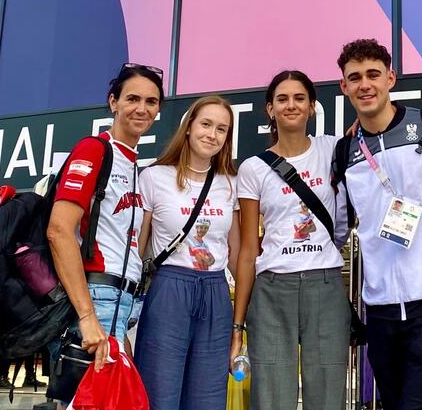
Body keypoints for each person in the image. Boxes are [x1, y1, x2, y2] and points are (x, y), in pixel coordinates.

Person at [331, 39, 422, 410]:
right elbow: (339, 228)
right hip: (381, 305)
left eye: (373, 74)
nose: (364, 85)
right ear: (344, 87)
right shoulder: (345, 152)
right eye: (354, 78)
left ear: (391, 78)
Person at [232, 70, 349, 410]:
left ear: (312, 106)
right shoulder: (253, 168)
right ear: (270, 109)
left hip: (325, 284)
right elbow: (248, 250)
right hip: (271, 289)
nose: (291, 105)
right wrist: (238, 324)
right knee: (270, 398)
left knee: (327, 397)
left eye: (299, 98)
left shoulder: (333, 148)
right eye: (282, 99)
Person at [47, 64, 165, 375]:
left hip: (123, 302)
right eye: (132, 99)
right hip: (97, 295)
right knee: (84, 399)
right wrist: (87, 316)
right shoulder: (94, 150)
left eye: (151, 102)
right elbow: (59, 230)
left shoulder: (134, 165)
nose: (141, 109)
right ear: (113, 102)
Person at [134, 96, 241, 410]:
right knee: (159, 390)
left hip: (215, 291)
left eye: (222, 129)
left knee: (208, 396)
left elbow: (235, 253)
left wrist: (248, 310)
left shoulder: (230, 184)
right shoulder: (154, 177)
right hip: (169, 288)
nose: (212, 134)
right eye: (206, 124)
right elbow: (139, 248)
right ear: (189, 127)